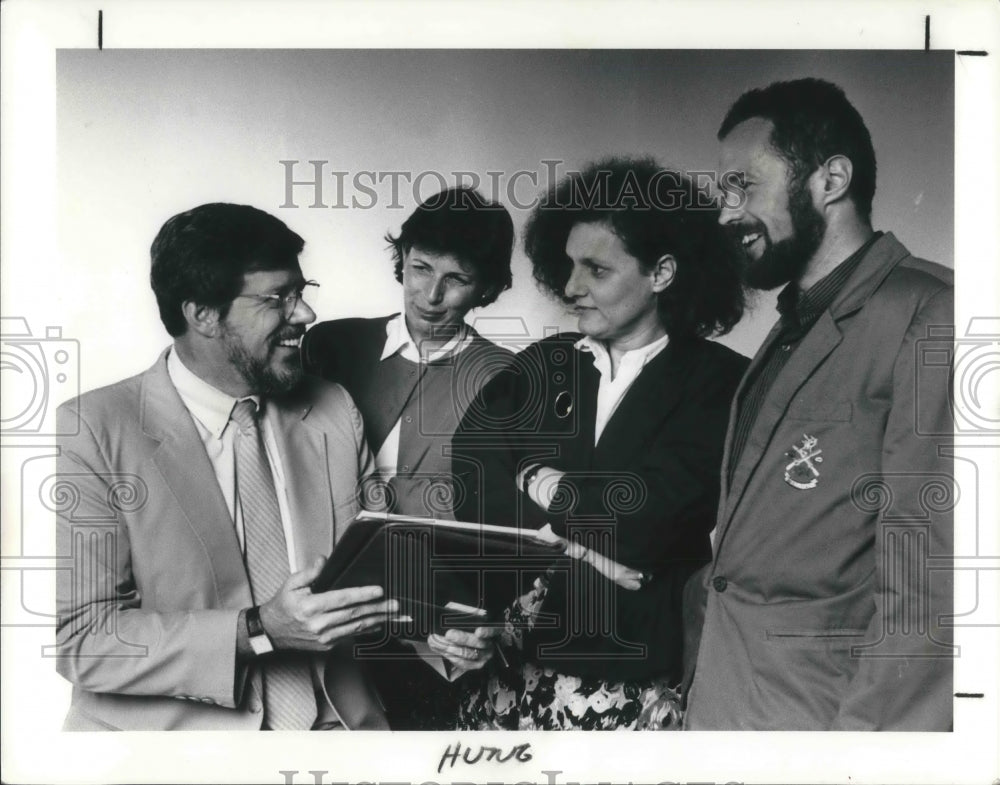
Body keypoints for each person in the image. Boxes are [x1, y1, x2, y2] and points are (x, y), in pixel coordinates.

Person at [54, 203, 402, 730]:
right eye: (278, 298)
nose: (305, 314)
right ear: (203, 315)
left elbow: (384, 568)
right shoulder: (94, 430)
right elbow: (82, 639)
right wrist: (258, 629)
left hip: (341, 736)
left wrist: (439, 625)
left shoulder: (333, 409)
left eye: (302, 292)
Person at [683, 78, 954, 730]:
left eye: (743, 186)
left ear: (831, 180)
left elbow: (929, 598)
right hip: (729, 715)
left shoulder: (934, 314)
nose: (725, 214)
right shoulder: (790, 326)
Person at [450, 158, 749, 730]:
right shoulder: (543, 363)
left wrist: (534, 480)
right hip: (509, 669)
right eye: (568, 265)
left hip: (632, 674)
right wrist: (585, 546)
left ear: (662, 272)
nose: (570, 288)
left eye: (596, 269)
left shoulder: (723, 382)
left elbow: (652, 515)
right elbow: (472, 482)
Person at [301, 185, 514, 729]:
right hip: (316, 606)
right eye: (420, 268)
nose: (430, 295)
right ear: (401, 262)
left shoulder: (507, 378)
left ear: (485, 289)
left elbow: (506, 527)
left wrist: (481, 623)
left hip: (429, 625)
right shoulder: (332, 345)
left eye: (457, 279)